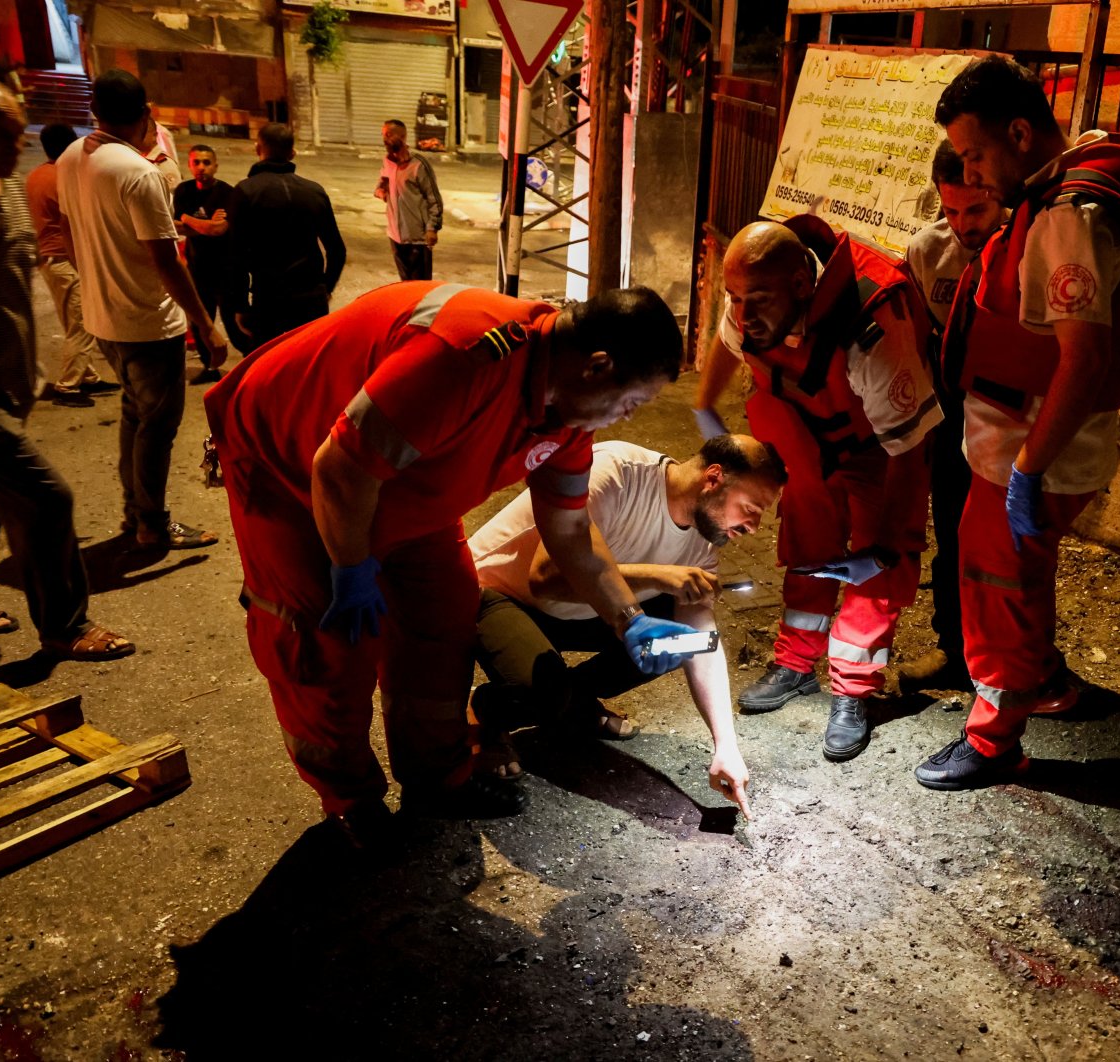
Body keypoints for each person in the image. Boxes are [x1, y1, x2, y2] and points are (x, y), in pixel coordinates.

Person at [204, 280, 696, 847]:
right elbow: (341, 469)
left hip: (399, 475)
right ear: (597, 367)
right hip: (289, 464)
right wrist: (350, 567)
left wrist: (627, 617)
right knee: (324, 643)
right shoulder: (462, 357)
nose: (628, 420)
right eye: (633, 402)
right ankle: (350, 801)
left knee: (443, 614)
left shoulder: (564, 417)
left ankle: (437, 777)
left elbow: (570, 532)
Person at [914, 56, 1120, 790]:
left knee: (996, 591)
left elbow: (1083, 361)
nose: (972, 172)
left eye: (974, 154)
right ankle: (1046, 683)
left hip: (1028, 457)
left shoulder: (1067, 218)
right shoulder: (1061, 183)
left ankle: (994, 740)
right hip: (1016, 451)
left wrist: (1026, 471)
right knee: (1018, 582)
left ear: (1020, 133)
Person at [694, 216, 940, 763]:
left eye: (753, 300)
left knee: (879, 567)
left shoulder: (875, 322)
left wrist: (885, 547)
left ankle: (853, 688)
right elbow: (728, 344)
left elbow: (908, 449)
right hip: (808, 437)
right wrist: (706, 414)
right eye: (734, 298)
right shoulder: (757, 301)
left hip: (880, 446)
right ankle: (797, 661)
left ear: (802, 286)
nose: (741, 314)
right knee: (808, 539)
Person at [470, 434, 787, 816]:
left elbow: (703, 642)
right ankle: (489, 713)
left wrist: (726, 746)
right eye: (750, 508)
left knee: (678, 641)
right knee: (544, 694)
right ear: (714, 478)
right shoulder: (617, 472)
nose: (753, 526)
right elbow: (546, 578)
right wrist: (658, 577)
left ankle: (575, 702)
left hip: (579, 611)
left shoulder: (704, 540)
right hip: (499, 595)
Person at [0, 75, 134, 667]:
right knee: (45, 499)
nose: (15, 145)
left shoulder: (7, 192)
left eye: (18, 133)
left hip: (4, 381)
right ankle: (64, 625)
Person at [56, 69, 224, 551]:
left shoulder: (70, 157)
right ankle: (151, 522)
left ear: (96, 112)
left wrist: (95, 281)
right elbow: (165, 260)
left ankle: (136, 513)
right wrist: (206, 325)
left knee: (135, 416)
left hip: (103, 318)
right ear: (147, 115)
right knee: (157, 426)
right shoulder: (137, 172)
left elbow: (67, 233)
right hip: (148, 323)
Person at [895, 139, 1007, 693]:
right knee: (953, 534)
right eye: (952, 210)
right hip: (953, 416)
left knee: (1012, 543)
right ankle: (956, 652)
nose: (964, 225)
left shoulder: (1029, 248)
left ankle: (1015, 660)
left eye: (977, 210)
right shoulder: (926, 252)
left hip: (1012, 418)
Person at [224, 122, 346, 353]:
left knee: (268, 366)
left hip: (269, 299)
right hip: (310, 299)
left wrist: (239, 305)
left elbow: (236, 255)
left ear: (258, 147)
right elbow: (337, 249)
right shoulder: (314, 191)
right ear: (292, 153)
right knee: (307, 365)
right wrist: (325, 288)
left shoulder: (245, 191)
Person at [24, 122, 113, 407]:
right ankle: (68, 386)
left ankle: (87, 377)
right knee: (84, 323)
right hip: (65, 259)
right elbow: (78, 221)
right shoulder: (64, 178)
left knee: (72, 321)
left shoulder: (36, 175)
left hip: (48, 260)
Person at [173, 143, 234, 384]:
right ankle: (210, 367)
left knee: (234, 321)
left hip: (226, 267)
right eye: (196, 162)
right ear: (189, 165)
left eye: (206, 162)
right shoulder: (184, 191)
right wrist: (205, 224)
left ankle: (251, 364)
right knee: (201, 322)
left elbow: (219, 229)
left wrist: (189, 220)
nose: (201, 167)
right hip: (198, 268)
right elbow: (174, 225)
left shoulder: (227, 193)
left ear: (216, 165)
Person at [374, 119, 442, 281]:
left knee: (420, 288)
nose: (385, 139)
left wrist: (432, 228)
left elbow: (434, 198)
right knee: (405, 284)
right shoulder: (387, 162)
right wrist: (382, 191)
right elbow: (379, 188)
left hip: (417, 237)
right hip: (395, 236)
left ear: (402, 137)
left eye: (389, 135)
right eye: (383, 135)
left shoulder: (419, 164)